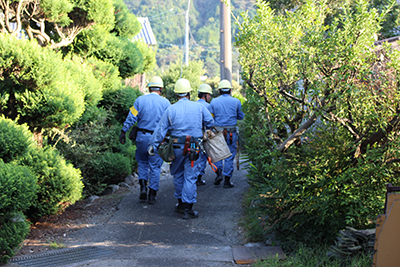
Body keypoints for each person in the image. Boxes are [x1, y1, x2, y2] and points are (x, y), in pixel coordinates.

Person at [148, 78, 214, 220]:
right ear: (189, 93)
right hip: (193, 147)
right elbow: (210, 122)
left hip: (176, 147)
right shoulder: (199, 107)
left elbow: (160, 130)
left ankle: (180, 204)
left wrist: (153, 146)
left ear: (176, 94)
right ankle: (188, 209)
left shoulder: (171, 109)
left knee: (178, 175)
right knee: (190, 177)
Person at [119, 76, 170, 204]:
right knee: (155, 166)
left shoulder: (139, 100)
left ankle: (142, 187)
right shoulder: (166, 103)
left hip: (141, 137)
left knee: (142, 163)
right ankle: (152, 195)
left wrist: (123, 131)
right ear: (161, 88)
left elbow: (131, 116)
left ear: (149, 87)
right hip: (157, 139)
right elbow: (170, 122)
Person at [208, 79, 244, 188]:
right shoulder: (236, 101)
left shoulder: (214, 102)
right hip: (231, 133)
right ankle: (227, 181)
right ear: (230, 90)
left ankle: (218, 173)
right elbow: (241, 116)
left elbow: (210, 117)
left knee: (218, 154)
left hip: (217, 133)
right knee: (229, 155)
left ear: (219, 90)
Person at [195, 83, 213, 186]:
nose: (210, 97)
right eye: (209, 95)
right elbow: (211, 121)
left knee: (196, 155)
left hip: (194, 135)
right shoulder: (208, 107)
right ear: (205, 95)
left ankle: (196, 176)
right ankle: (199, 176)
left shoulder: (194, 104)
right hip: (205, 134)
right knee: (204, 156)